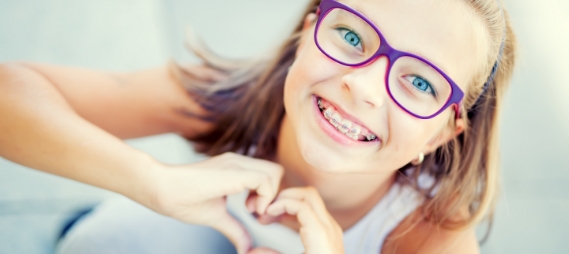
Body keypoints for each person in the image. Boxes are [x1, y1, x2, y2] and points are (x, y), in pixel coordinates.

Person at [0, 0, 517, 253]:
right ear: (309, 30)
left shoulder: (429, 235)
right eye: (352, 36)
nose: (363, 87)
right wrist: (150, 179)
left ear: (443, 134)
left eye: (420, 84)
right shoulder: (230, 97)